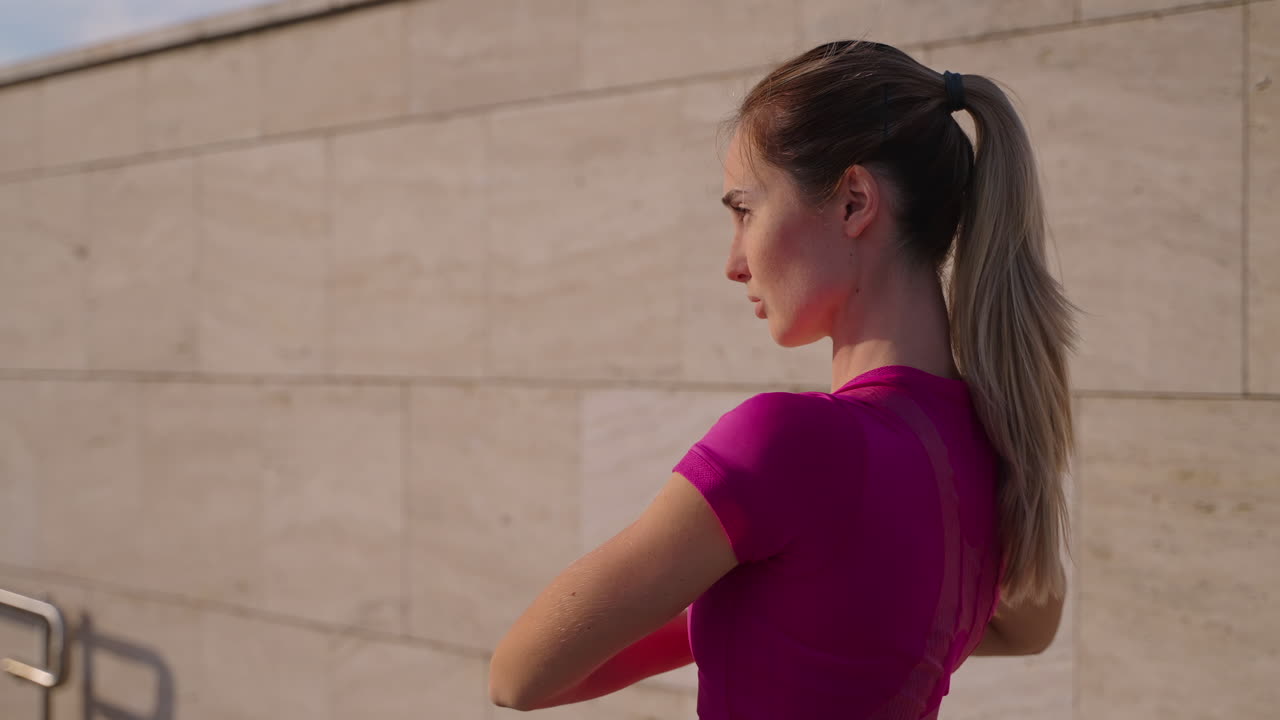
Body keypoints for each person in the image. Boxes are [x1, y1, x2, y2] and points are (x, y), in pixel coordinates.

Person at [670, 39, 1080, 719]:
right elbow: (1029, 628)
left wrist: (736, 606)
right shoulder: (992, 440)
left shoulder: (786, 440)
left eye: (744, 209)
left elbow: (522, 675)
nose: (734, 262)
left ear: (855, 201)